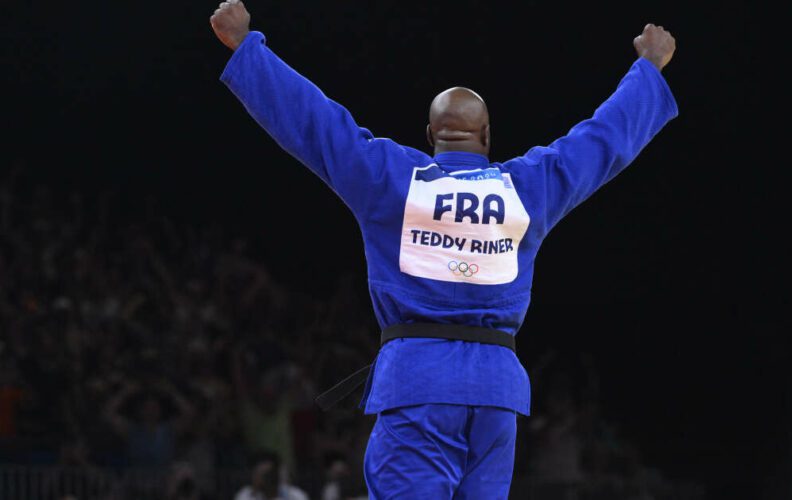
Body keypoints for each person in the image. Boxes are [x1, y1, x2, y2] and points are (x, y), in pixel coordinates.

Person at [210, 2, 677, 498]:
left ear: (431, 136)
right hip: (496, 395)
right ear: (488, 136)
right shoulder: (527, 188)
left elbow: (316, 124)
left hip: (418, 382)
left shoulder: (392, 179)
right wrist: (647, 70)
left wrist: (247, 46)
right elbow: (600, 142)